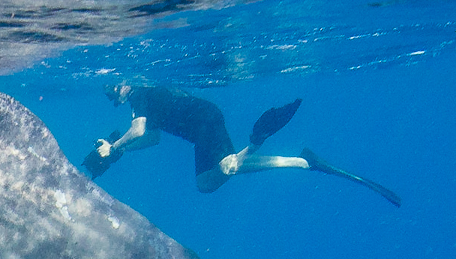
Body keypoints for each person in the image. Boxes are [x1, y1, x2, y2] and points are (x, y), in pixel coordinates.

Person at [83, 83, 401, 206]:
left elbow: (139, 131)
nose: (115, 101)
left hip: (203, 123)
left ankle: (256, 143)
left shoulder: (138, 95)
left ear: (120, 87)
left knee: (210, 181)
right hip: (204, 120)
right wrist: (120, 148)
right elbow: (152, 139)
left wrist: (113, 148)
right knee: (220, 172)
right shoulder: (147, 94)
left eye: (112, 95)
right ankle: (303, 161)